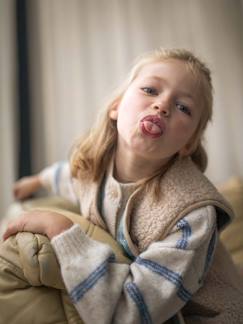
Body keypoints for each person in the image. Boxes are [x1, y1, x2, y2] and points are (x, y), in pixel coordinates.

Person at [3, 48, 237, 323]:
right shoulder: (95, 167)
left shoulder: (192, 215)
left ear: (188, 144)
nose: (162, 105)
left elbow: (131, 311)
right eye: (150, 90)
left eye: (183, 107)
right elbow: (68, 177)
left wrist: (63, 232)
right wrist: (35, 181)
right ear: (116, 107)